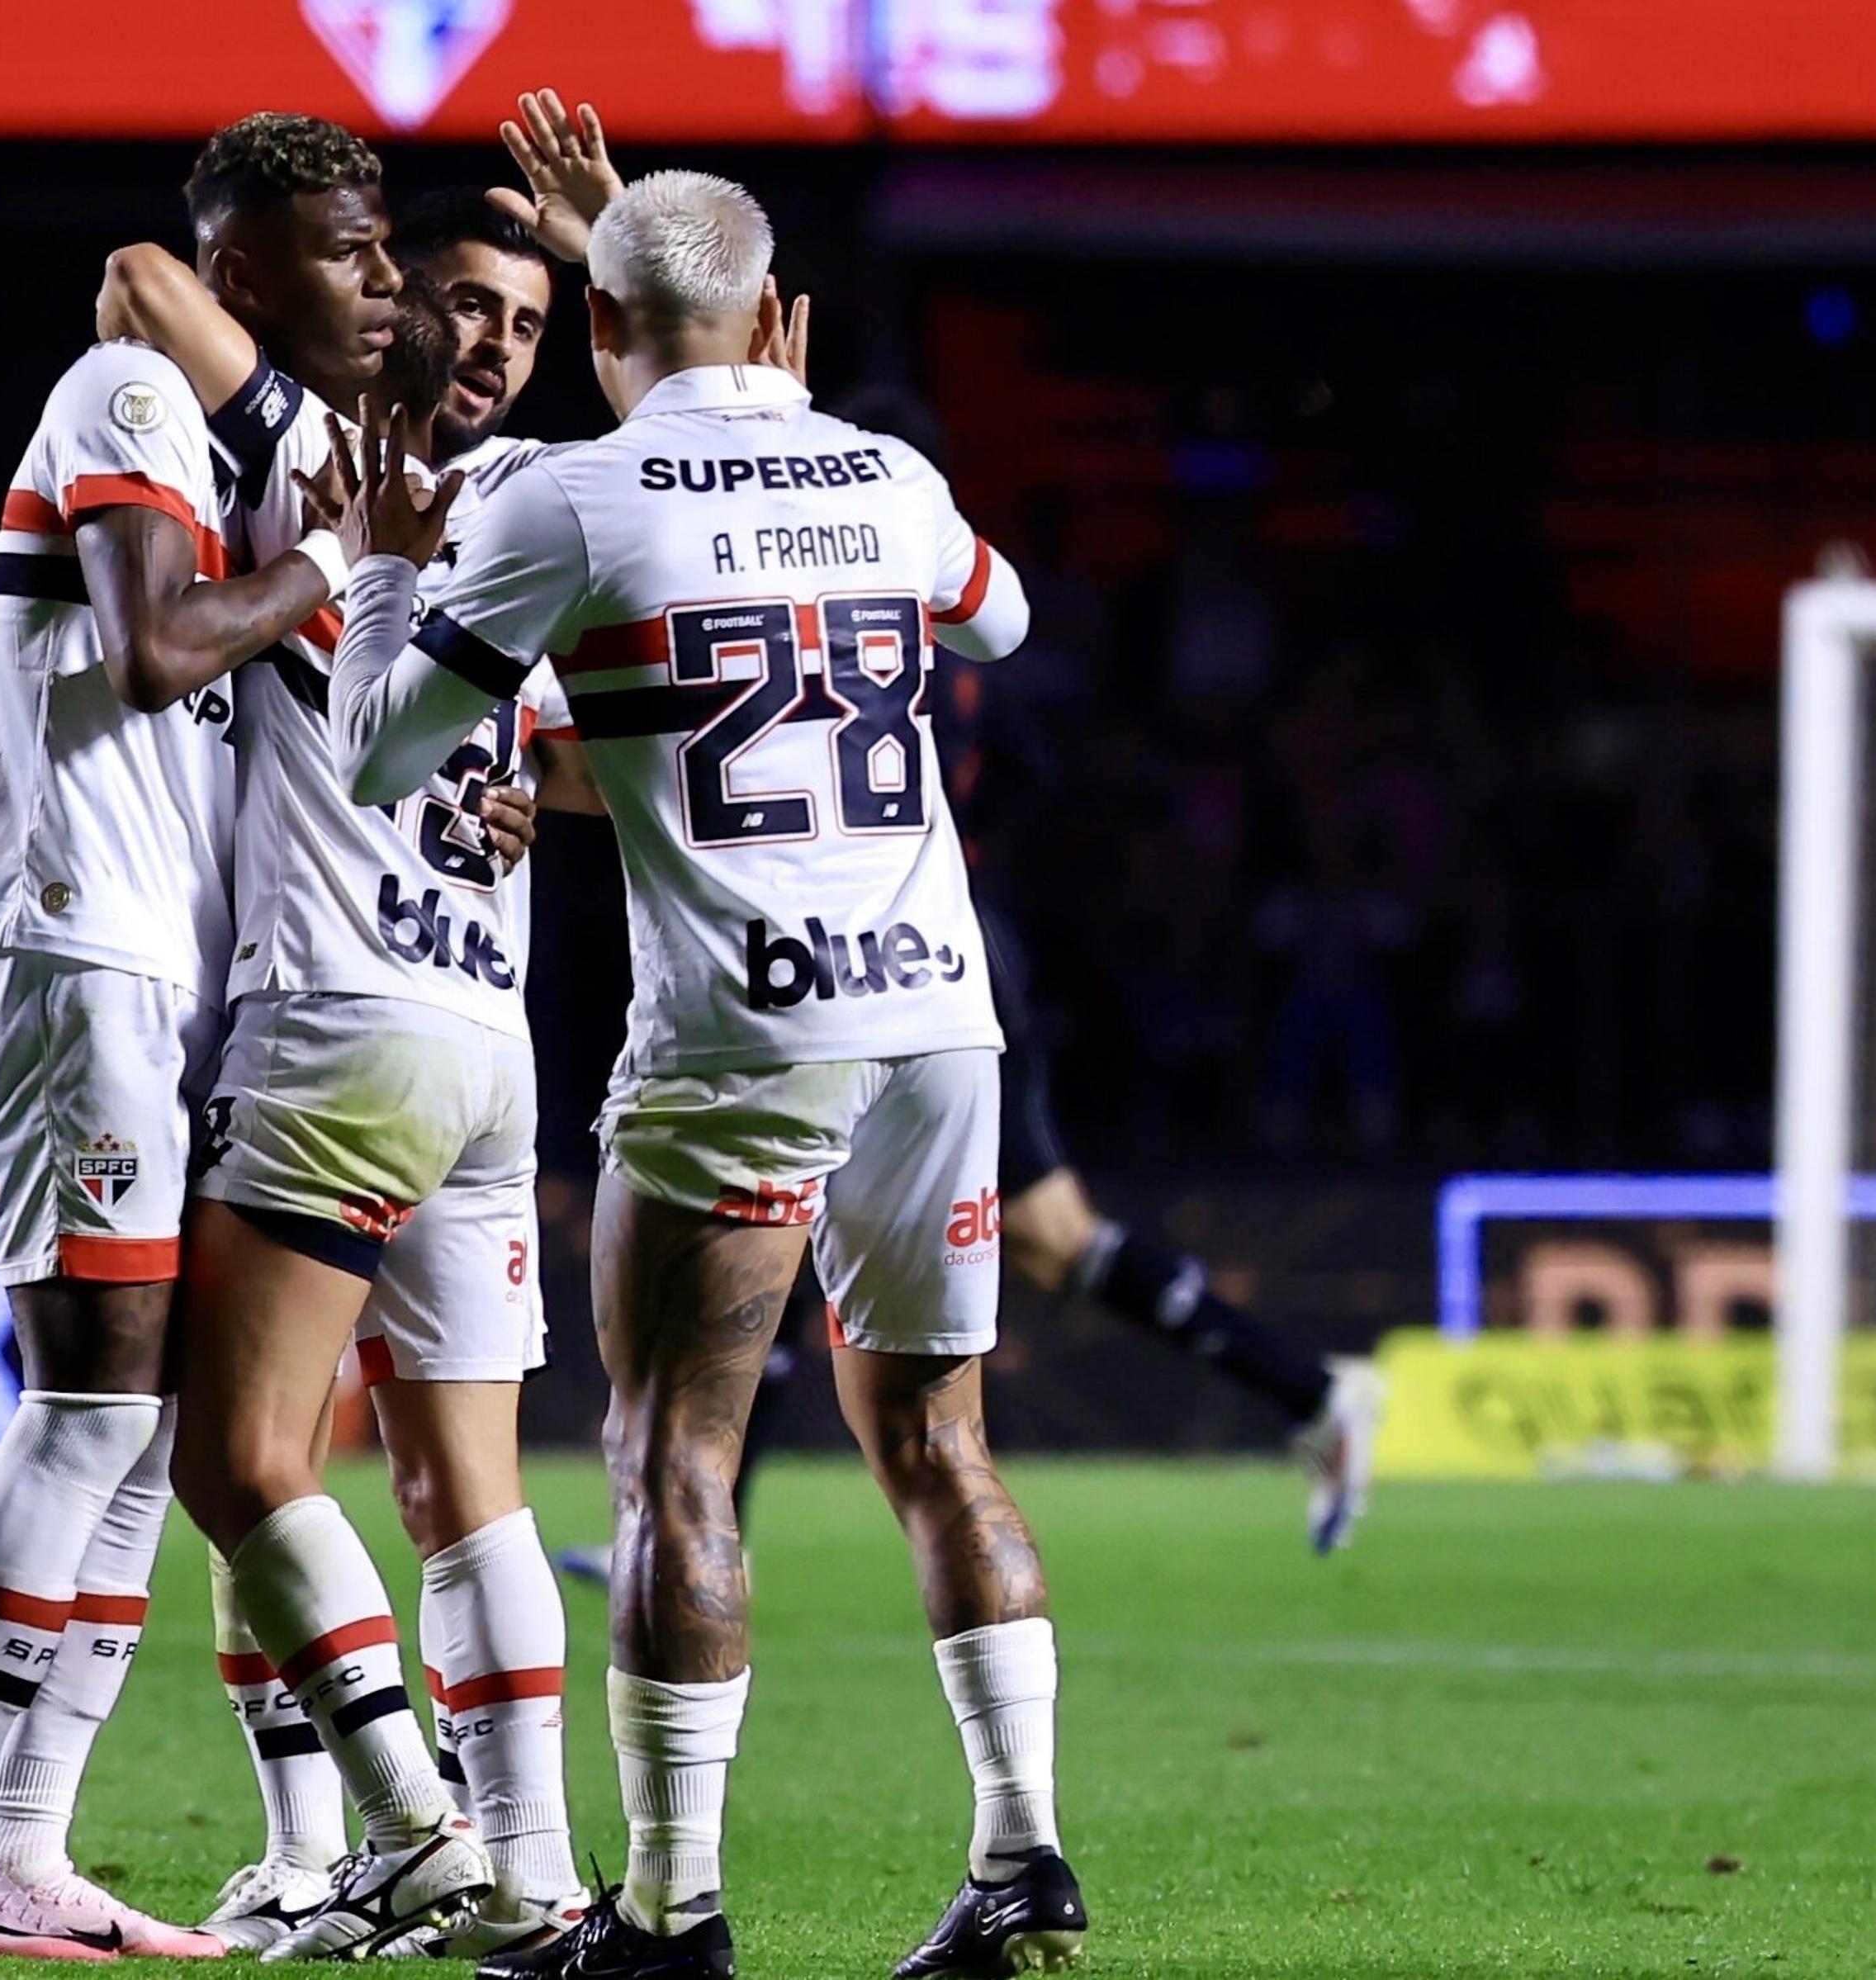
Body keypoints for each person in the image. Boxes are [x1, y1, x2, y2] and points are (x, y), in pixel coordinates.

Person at [327, 173, 1082, 1980]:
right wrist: (787, 405)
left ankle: (668, 1909)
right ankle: (1023, 1848)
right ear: (774, 320)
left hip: (745, 1030)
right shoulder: (886, 478)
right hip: (936, 1023)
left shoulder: (571, 496)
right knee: (943, 1437)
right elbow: (1000, 626)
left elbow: (376, 748)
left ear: (594, 332)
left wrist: (375, 564)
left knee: (674, 1452)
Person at [0, 108, 388, 1962]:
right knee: (92, 1401)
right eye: (350, 247)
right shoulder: (126, 402)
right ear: (250, 279)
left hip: (144, 961)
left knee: (141, 1425)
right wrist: (337, 564)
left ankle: (22, 1840)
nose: (385, 281)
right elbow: (157, 643)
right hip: (67, 940)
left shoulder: (242, 441)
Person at [552, 386, 1383, 1580]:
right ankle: (1304, 1389)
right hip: (950, 940)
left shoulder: (818, 617)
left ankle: (693, 1525)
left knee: (983, 1234)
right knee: (1021, 1238)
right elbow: (1036, 768)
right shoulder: (934, 635)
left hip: (895, 943)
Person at [97, 164, 604, 1960]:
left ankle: (371, 1837)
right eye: (468, 301)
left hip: (341, 1023)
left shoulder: (330, 449)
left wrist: (320, 446)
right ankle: (534, 1874)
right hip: (486, 1039)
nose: (490, 343)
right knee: (461, 1486)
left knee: (240, 1450)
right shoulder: (549, 509)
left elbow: (144, 279)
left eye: (530, 326)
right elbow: (616, 758)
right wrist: (531, 787)